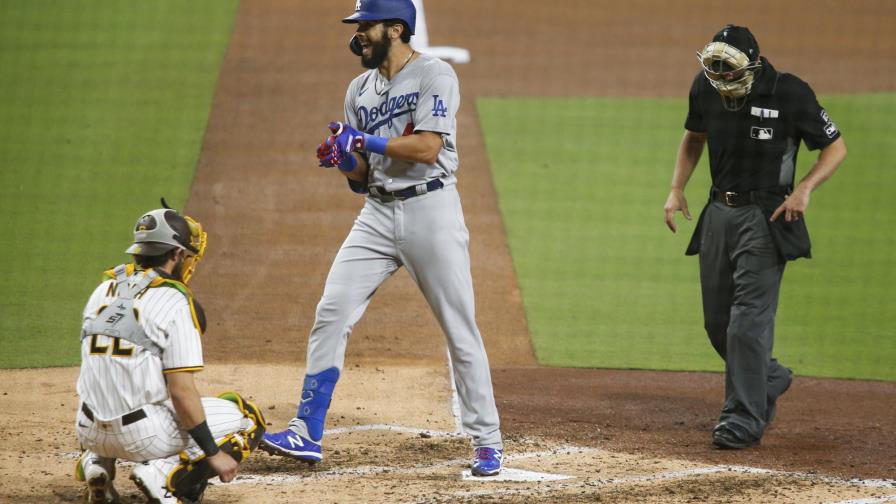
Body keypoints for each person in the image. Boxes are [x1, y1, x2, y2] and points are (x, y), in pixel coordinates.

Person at [261, 0, 504, 476]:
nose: (358, 34)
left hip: (430, 210)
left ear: (396, 29)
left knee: (459, 326)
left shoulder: (435, 75)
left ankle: (487, 440)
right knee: (331, 311)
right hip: (375, 213)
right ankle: (307, 430)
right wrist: (343, 158)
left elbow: (429, 148)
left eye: (366, 25)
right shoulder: (359, 89)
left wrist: (363, 142)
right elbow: (361, 176)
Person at [663, 25, 847, 449]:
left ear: (753, 64)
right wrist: (676, 188)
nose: (723, 78)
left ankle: (742, 418)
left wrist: (804, 189)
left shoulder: (788, 92)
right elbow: (694, 136)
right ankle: (770, 376)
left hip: (767, 216)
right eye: (716, 71)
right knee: (718, 324)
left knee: (748, 321)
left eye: (730, 71)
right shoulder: (704, 87)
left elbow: (835, 147)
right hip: (718, 215)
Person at [74, 202, 266, 503]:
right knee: (247, 417)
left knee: (116, 380)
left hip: (87, 429)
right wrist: (213, 453)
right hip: (140, 437)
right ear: (176, 254)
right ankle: (163, 474)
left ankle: (95, 462)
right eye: (187, 255)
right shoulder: (175, 302)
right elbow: (181, 392)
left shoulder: (103, 289)